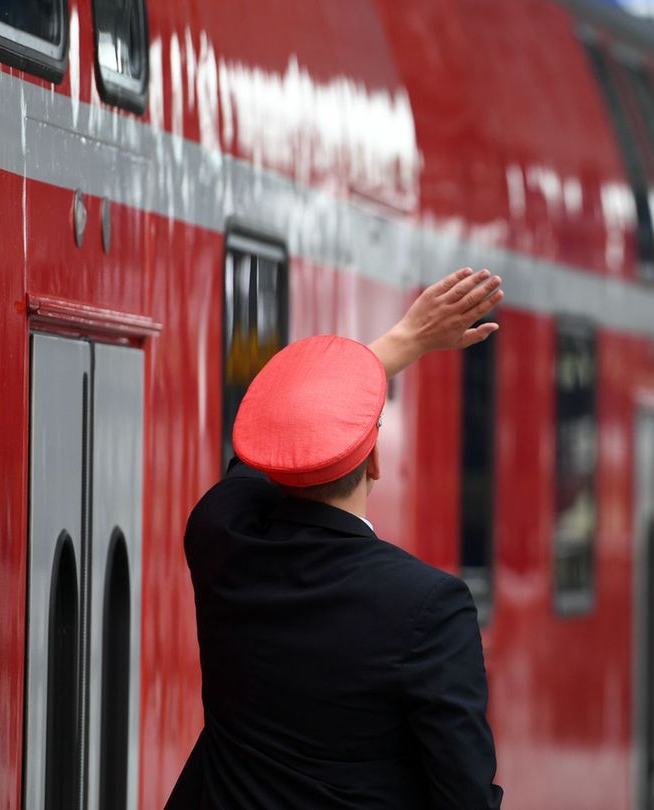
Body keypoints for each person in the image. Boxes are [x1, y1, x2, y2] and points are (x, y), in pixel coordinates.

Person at [166, 268, 507, 809]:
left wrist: (404, 341)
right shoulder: (427, 606)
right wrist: (413, 341)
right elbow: (463, 794)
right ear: (374, 460)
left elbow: (264, 451)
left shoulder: (223, 542)